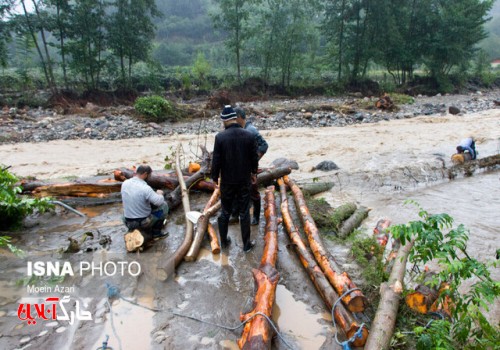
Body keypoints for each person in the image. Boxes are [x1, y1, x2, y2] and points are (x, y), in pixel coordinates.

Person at [211, 105, 259, 253]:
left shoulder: (220, 137)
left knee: (225, 211)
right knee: (244, 212)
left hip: (227, 181)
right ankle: (246, 245)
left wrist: (214, 178)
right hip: (244, 180)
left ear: (224, 120)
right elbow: (254, 158)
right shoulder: (248, 135)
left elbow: (216, 161)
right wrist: (253, 173)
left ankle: (224, 241)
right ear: (235, 118)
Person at [230, 106, 268, 225]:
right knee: (236, 191)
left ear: (240, 117)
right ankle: (235, 215)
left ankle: (256, 217)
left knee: (254, 191)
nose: (233, 121)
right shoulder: (241, 129)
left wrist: (254, 160)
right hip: (239, 168)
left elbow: (264, 145)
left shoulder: (251, 130)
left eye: (234, 118)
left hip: (250, 169)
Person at [121, 165, 169, 239]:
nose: (150, 177)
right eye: (150, 175)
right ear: (145, 174)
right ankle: (156, 233)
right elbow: (158, 202)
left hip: (127, 222)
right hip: (142, 223)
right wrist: (160, 194)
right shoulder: (145, 188)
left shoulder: (125, 183)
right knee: (164, 205)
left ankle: (132, 229)